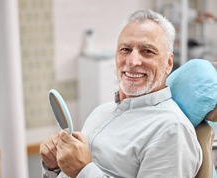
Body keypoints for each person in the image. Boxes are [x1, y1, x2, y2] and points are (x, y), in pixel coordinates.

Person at [39, 9, 202, 178]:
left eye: (147, 51)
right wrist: (54, 168)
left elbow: (80, 171)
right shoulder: (101, 112)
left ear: (168, 63)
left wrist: (83, 171)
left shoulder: (172, 131)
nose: (132, 61)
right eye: (125, 49)